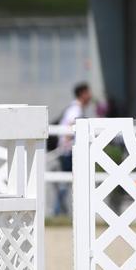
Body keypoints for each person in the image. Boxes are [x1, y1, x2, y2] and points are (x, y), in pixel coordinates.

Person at [52, 82, 93, 215]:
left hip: (68, 151)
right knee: (69, 181)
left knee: (70, 181)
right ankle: (58, 211)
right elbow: (69, 128)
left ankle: (60, 211)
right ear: (82, 93)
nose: (90, 96)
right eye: (88, 92)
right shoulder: (75, 109)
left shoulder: (76, 108)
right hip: (68, 152)